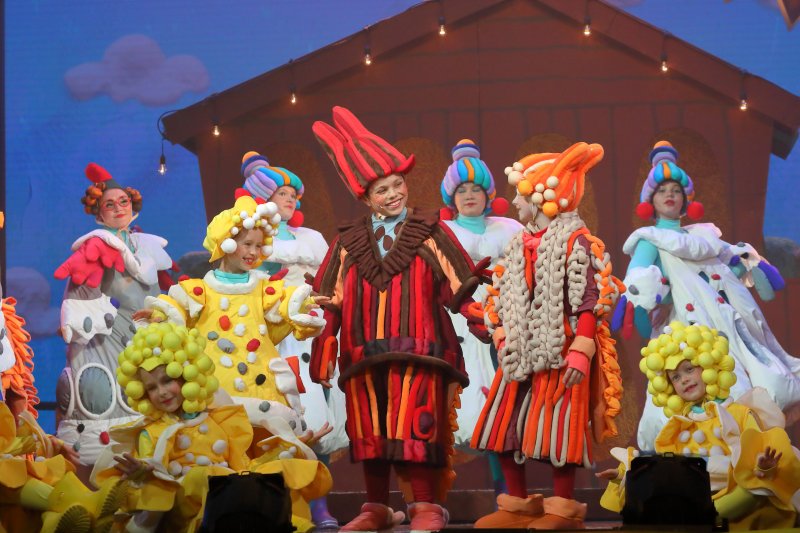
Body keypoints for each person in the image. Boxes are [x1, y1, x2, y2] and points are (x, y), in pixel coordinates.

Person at [309, 106, 490, 531]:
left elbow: (457, 285)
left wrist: (479, 319)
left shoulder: (429, 229)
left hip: (420, 350)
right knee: (369, 431)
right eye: (382, 190)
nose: (393, 194)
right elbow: (331, 300)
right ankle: (375, 506)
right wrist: (325, 346)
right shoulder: (348, 242)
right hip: (363, 353)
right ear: (364, 197)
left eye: (397, 184)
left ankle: (425, 505)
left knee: (418, 426)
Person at [470, 142, 624, 529]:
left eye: (521, 197)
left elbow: (591, 299)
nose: (514, 204)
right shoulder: (517, 243)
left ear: (541, 199)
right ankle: (517, 505)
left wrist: (581, 349)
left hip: (561, 349)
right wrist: (500, 331)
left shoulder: (577, 243)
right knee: (503, 426)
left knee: (559, 430)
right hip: (518, 351)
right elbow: (500, 292)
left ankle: (563, 509)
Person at [612, 141, 800, 450]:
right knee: (700, 408)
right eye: (662, 190)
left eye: (676, 190)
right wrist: (639, 298)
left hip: (724, 329)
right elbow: (640, 284)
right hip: (688, 335)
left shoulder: (704, 237)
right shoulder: (650, 240)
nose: (670, 194)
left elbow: (725, 271)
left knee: (744, 395)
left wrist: (745, 265)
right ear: (651, 201)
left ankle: (746, 461)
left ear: (686, 198)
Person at [91, 322, 332, 533]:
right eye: (152, 388)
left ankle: (294, 525)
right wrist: (143, 473)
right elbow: (155, 479)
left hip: (231, 500)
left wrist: (289, 447)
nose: (161, 392)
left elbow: (243, 468)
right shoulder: (151, 432)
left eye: (167, 380)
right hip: (188, 511)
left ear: (187, 375)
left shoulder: (217, 418)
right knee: (203, 477)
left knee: (277, 471)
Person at [135, 192, 326, 440]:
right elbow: (175, 311)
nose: (253, 252)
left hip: (263, 389)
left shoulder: (264, 289)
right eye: (247, 244)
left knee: (267, 442)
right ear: (225, 242)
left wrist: (306, 303)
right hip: (216, 387)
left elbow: (288, 306)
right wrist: (159, 315)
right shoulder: (199, 292)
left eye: (259, 246)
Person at [598, 321, 800, 530]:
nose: (684, 380)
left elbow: (760, 453)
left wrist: (762, 466)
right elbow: (663, 472)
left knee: (750, 494)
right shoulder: (677, 428)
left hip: (738, 500)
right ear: (669, 387)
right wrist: (624, 475)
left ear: (709, 367)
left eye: (689, 369)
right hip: (697, 501)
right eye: (676, 377)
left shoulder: (739, 413)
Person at [241, 152, 347, 529]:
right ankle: (279, 507)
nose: (289, 199)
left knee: (316, 416)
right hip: (272, 335)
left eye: (292, 195)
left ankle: (319, 506)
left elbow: (330, 280)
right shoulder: (252, 237)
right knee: (277, 421)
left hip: (309, 333)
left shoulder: (311, 238)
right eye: (281, 193)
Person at [53, 163, 174, 481]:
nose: (119, 208)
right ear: (99, 213)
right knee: (104, 398)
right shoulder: (96, 246)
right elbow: (79, 294)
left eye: (124, 201)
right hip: (106, 342)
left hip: (144, 341)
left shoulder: (145, 247)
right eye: (110, 204)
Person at [438, 139, 522, 495]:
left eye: (476, 188)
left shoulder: (509, 229)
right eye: (462, 189)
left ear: (488, 194)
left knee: (506, 408)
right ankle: (433, 498)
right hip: (460, 325)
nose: (469, 195)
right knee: (465, 409)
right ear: (451, 197)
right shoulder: (441, 234)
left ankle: (508, 492)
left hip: (507, 323)